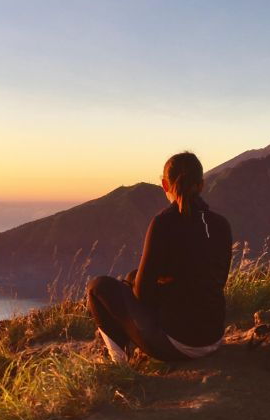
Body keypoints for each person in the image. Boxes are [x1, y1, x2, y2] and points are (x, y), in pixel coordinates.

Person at [86, 151, 233, 363]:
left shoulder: (163, 223)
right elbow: (215, 281)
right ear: (201, 185)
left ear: (165, 185)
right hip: (214, 338)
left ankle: (119, 363)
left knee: (97, 287)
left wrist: (149, 284)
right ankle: (126, 352)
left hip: (178, 345)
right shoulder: (221, 224)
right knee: (132, 276)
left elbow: (142, 294)